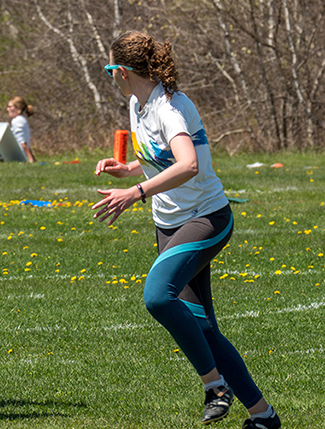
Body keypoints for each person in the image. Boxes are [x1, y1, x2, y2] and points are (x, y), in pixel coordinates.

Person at [93, 31, 281, 429]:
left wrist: (136, 191)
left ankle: (215, 386)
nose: (109, 76)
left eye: (110, 69)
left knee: (158, 297)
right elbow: (163, 161)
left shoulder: (169, 108)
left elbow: (189, 164)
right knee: (202, 327)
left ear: (122, 71)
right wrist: (128, 169)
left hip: (206, 219)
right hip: (169, 224)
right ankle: (263, 416)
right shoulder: (137, 103)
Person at [7, 96, 36, 163]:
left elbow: (22, 143)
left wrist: (31, 159)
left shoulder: (17, 121)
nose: (8, 109)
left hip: (17, 156)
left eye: (10, 107)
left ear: (18, 108)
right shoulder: (21, 119)